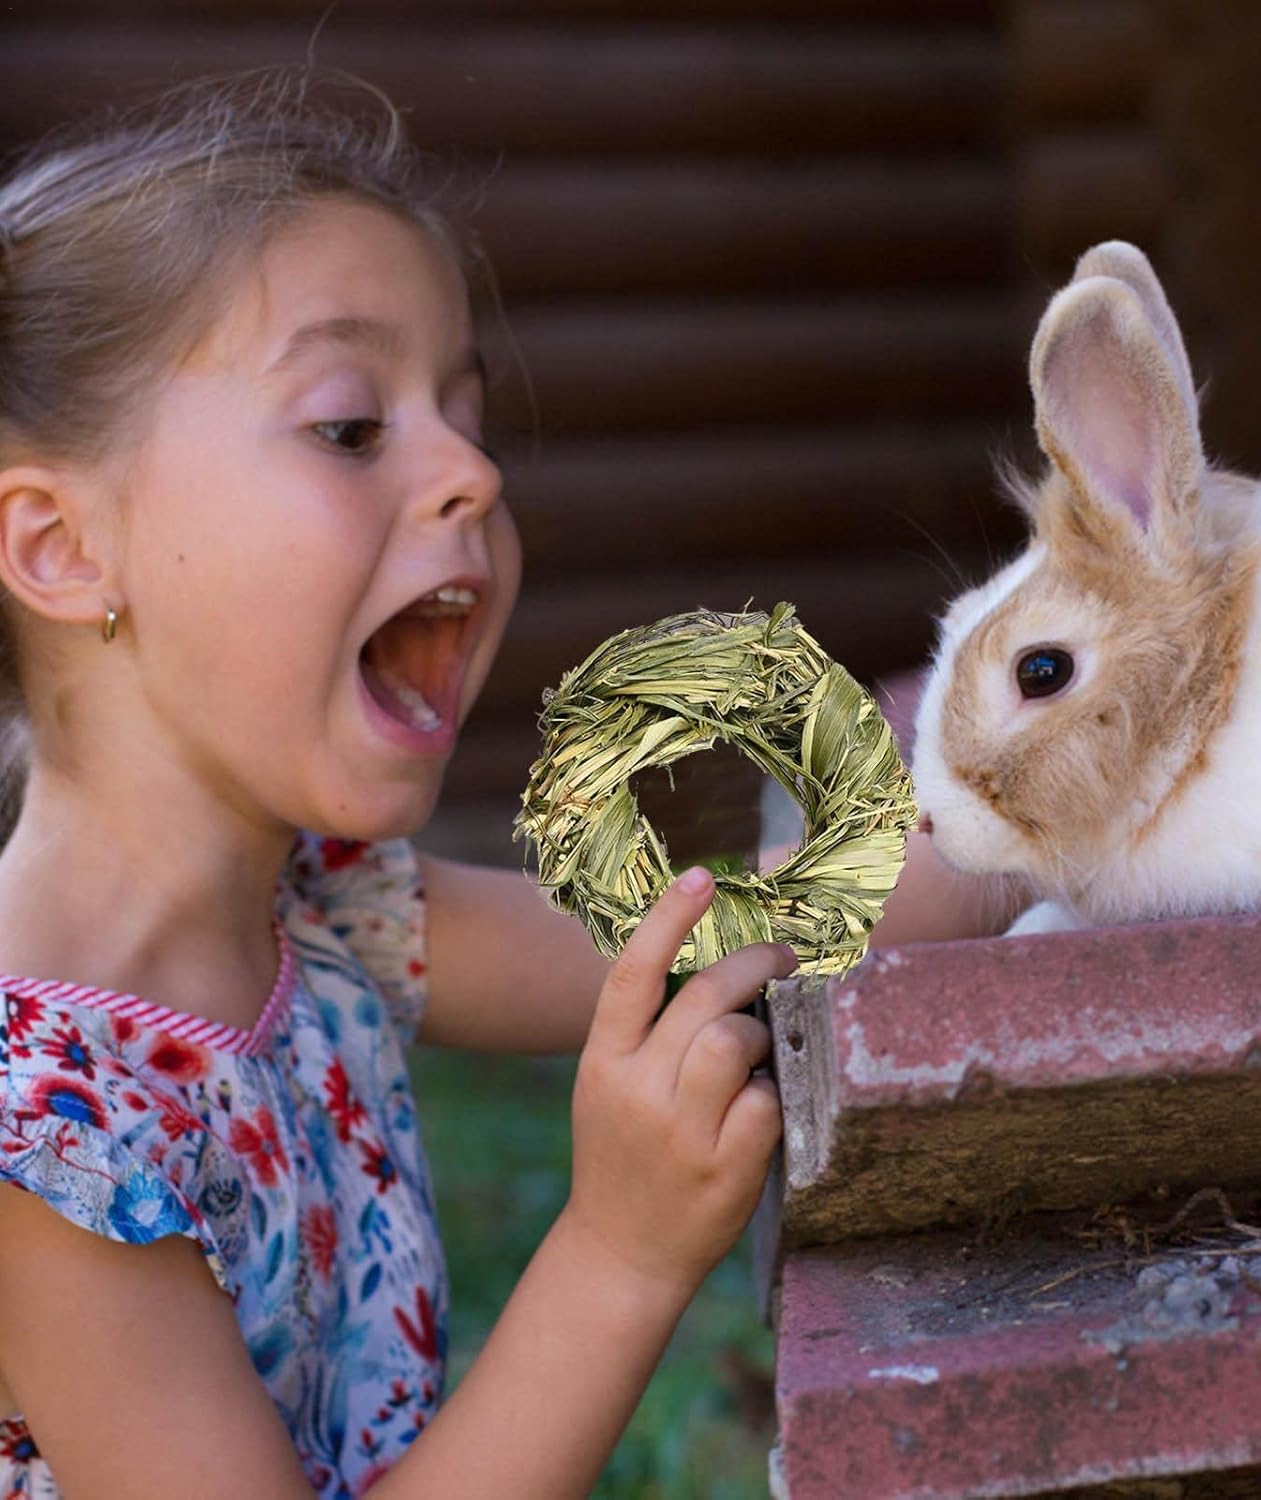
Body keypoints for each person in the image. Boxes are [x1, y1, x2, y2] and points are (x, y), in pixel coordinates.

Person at [0, 68, 792, 1499]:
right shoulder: (40, 1148)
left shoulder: (325, 913)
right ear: (64, 549)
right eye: (353, 425)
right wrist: (619, 1253)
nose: (474, 476)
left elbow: (733, 931)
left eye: (466, 417)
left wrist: (1042, 835)